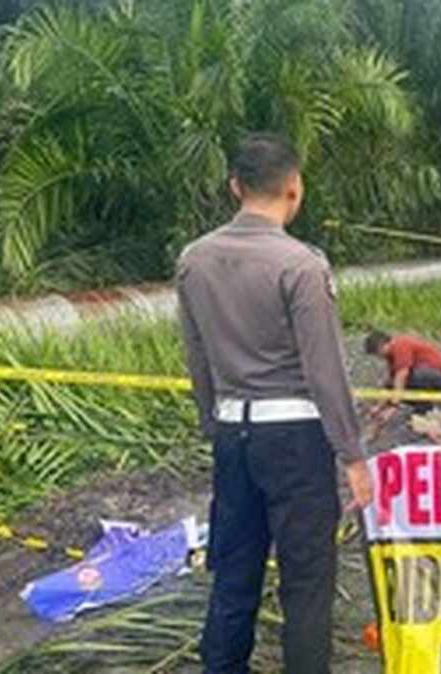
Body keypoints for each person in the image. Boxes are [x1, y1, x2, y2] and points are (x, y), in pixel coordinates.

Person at [176, 133, 372, 674]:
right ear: (294, 188)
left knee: (234, 571)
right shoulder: (301, 266)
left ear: (235, 186)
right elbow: (325, 371)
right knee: (306, 583)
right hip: (296, 443)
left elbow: (198, 358)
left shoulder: (194, 260)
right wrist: (352, 455)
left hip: (233, 434)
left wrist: (213, 424)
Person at [363, 330, 441, 417]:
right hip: (428, 377)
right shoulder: (391, 357)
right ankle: (424, 406)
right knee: (396, 384)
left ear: (382, 345)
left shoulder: (400, 345)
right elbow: (390, 383)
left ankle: (425, 407)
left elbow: (401, 375)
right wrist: (378, 407)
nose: (378, 357)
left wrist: (394, 406)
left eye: (377, 353)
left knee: (409, 377)